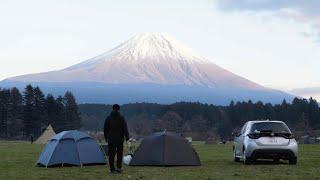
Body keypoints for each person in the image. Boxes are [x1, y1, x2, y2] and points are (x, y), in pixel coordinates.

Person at [104, 104, 129, 174]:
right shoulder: (121, 118)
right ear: (118, 109)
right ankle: (119, 168)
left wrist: (106, 137)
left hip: (111, 139)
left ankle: (112, 169)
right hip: (120, 139)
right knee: (119, 154)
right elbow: (125, 128)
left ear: (112, 109)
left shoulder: (108, 118)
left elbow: (105, 129)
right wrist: (127, 138)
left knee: (111, 155)